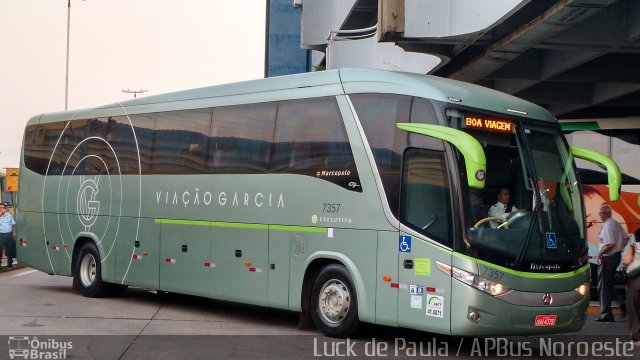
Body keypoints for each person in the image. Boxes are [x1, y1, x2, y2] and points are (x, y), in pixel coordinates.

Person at [595, 204, 629, 322]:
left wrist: (599, 254)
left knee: (603, 286)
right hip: (615, 257)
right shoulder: (615, 223)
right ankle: (621, 303)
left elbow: (610, 244)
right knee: (608, 284)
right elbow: (626, 238)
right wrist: (620, 249)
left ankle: (606, 314)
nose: (599, 215)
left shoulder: (608, 225)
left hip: (607, 258)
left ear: (605, 213)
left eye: (600, 213)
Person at [622, 230, 640, 347]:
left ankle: (637, 339)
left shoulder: (634, 246)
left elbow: (626, 260)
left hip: (636, 280)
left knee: (634, 308)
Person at [0, 202, 16, 268]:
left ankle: (10, 263)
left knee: (9, 249)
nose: (1, 209)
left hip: (9, 234)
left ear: (5, 209)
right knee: (0, 249)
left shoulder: (9, 215)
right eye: (0, 208)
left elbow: (13, 224)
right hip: (1, 235)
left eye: (2, 208)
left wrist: (14, 233)